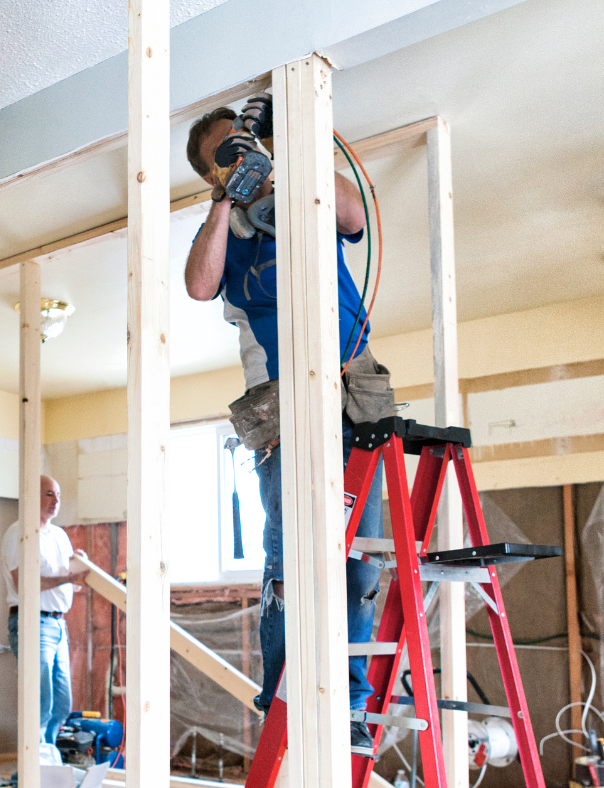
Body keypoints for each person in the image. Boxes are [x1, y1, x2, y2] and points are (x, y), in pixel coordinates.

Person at [184, 98, 394, 751]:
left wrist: (284, 164)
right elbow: (198, 284)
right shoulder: (228, 228)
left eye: (242, 141)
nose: (239, 154)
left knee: (362, 560)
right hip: (279, 402)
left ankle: (353, 700)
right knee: (287, 563)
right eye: (225, 153)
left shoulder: (303, 200)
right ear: (210, 174)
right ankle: (286, 695)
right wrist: (226, 201)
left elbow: (355, 213)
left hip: (352, 388)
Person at [1, 475, 89, 745]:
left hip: (58, 625)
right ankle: (29, 776)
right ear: (32, 496)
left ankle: (47, 767)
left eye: (58, 495)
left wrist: (79, 574)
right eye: (49, 494)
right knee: (39, 703)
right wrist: (68, 578)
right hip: (32, 623)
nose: (56, 501)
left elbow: (69, 587)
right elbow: (23, 582)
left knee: (61, 704)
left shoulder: (60, 536)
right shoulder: (20, 533)